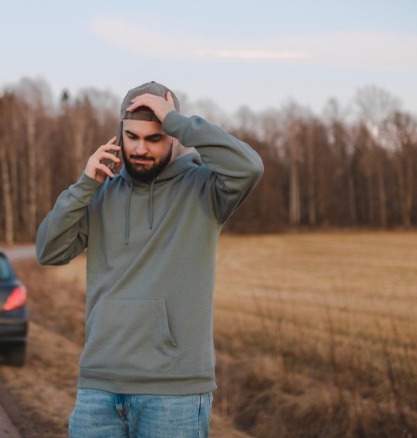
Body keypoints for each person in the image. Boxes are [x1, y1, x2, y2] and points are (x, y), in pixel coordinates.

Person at [36, 81, 264, 437]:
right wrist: (84, 185)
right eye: (132, 137)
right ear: (119, 134)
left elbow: (249, 167)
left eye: (154, 138)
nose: (141, 148)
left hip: (174, 393)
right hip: (99, 387)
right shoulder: (99, 192)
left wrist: (177, 119)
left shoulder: (205, 189)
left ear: (174, 136)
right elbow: (48, 251)